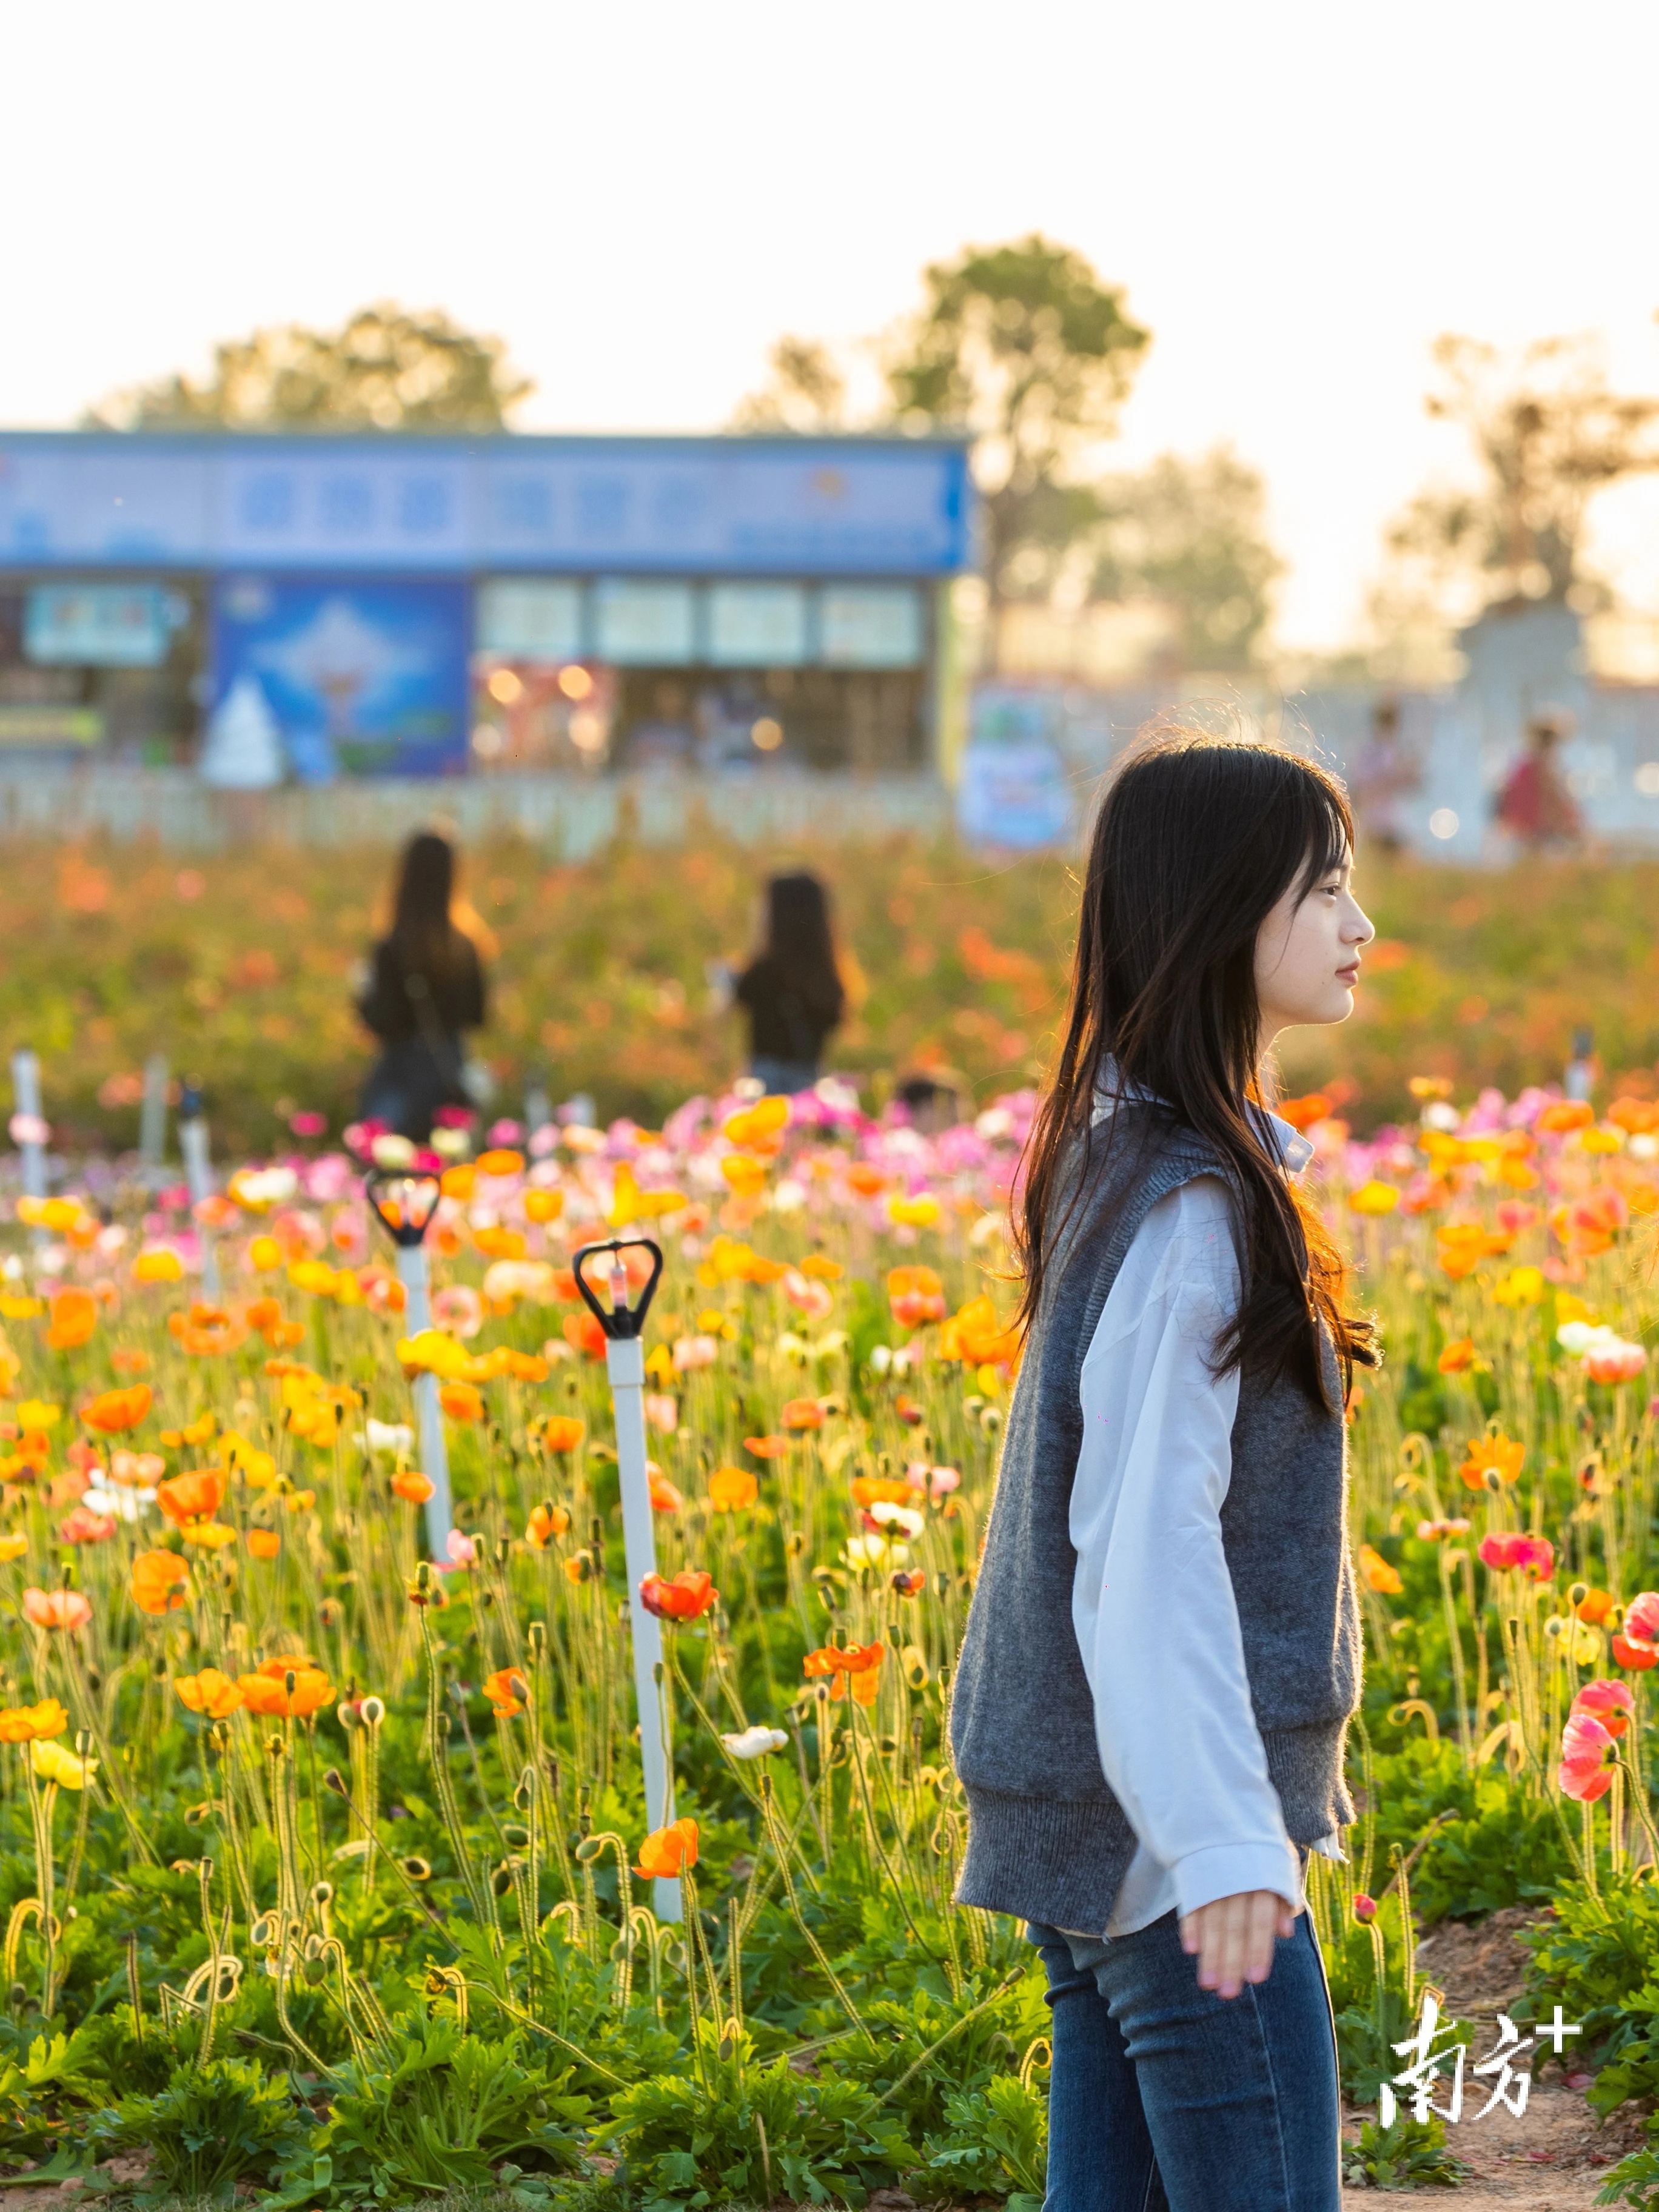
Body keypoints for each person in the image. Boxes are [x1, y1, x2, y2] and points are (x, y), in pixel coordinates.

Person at [949, 728, 1379, 2210]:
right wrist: (1217, 1837)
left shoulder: (1120, 1156)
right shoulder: (1189, 1207)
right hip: (1167, 1850)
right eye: (1321, 891)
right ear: (1219, 911)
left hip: (1103, 1841)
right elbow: (1142, 1555)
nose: (1356, 928)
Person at [356, 830, 488, 1142]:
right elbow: (478, 1016)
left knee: (387, 1169)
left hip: (399, 1079)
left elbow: (382, 1022)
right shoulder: (466, 947)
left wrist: (363, 996)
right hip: (449, 1074)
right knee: (452, 1171)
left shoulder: (391, 947)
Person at [728, 871, 850, 1096]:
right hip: (809, 1086)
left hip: (765, 1084)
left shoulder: (763, 973)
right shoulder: (827, 976)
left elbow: (735, 1003)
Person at [1495, 712, 1583, 850]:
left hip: (1524, 833)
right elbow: (1554, 807)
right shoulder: (1544, 770)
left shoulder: (1522, 767)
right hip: (1539, 834)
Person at [1349, 694, 1419, 855]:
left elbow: (1412, 784)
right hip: (1375, 824)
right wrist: (1395, 780)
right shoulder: (1368, 750)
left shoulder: (1397, 748)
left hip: (1396, 822)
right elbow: (1361, 790)